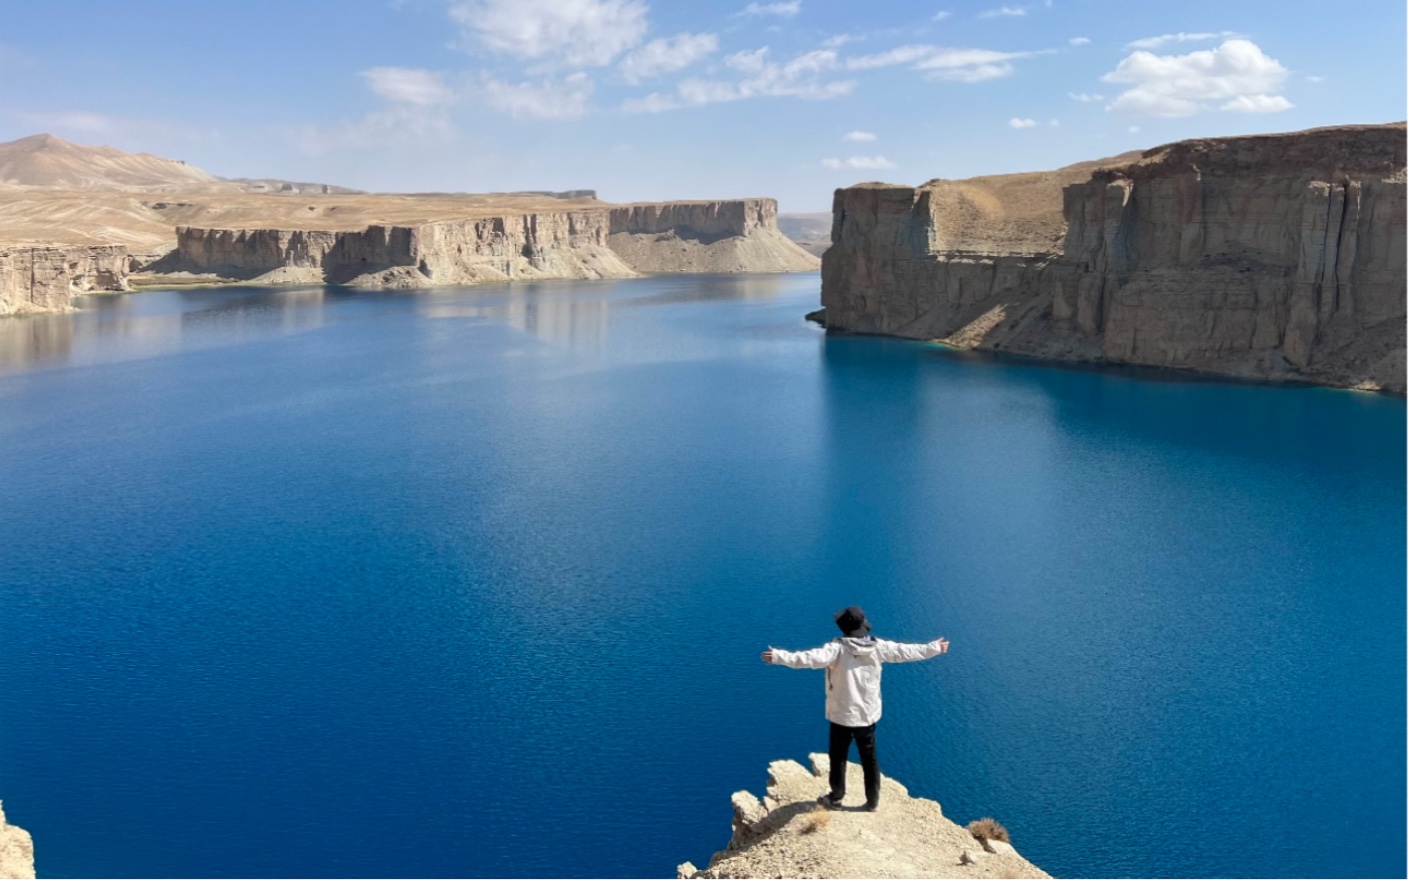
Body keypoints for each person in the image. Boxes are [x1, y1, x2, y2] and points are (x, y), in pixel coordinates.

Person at [761, 606, 949, 812]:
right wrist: (934, 648)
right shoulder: (879, 647)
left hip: (842, 714)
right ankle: (873, 801)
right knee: (870, 759)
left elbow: (807, 659)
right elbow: (908, 651)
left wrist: (778, 656)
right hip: (867, 715)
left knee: (838, 756)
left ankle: (836, 798)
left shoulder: (837, 650)